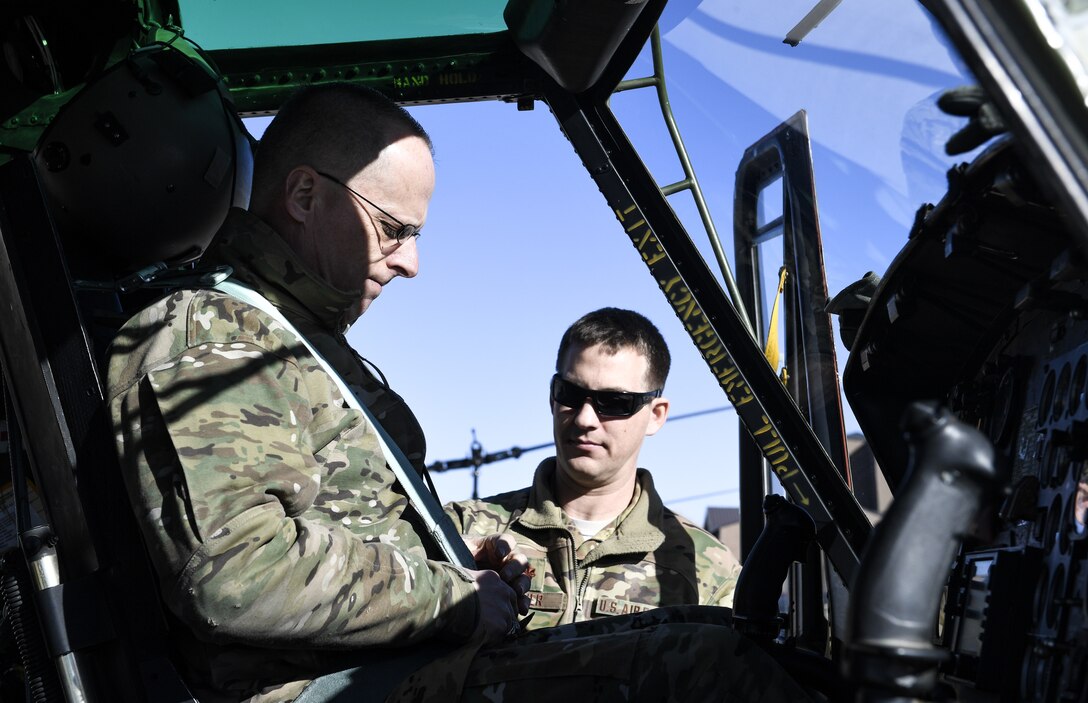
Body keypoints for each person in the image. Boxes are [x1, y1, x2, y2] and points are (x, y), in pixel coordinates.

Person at [106, 83, 810, 703]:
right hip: (327, 685)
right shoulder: (211, 333)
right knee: (706, 667)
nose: (411, 262)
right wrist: (452, 595)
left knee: (723, 633)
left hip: (394, 668)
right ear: (302, 195)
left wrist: (449, 562)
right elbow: (234, 572)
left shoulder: (295, 342)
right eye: (393, 230)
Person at [447, 308, 741, 629]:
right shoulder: (461, 531)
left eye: (614, 402)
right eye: (571, 394)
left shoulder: (709, 571)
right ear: (552, 397)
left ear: (656, 415)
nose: (585, 419)